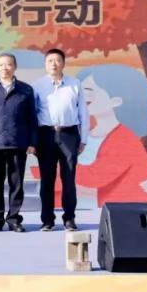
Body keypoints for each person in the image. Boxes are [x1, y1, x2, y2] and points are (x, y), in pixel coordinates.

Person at [73, 65, 147, 204]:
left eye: (88, 91)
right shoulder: (86, 134)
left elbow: (94, 177)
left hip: (122, 211)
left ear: (116, 101)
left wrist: (49, 166)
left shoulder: (125, 141)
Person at [0, 53, 38, 232]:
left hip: (18, 143)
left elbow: (32, 119)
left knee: (16, 184)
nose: (5, 68)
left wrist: (32, 142)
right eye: (1, 65)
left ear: (15, 67)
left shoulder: (26, 90)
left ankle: (14, 219)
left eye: (9, 64)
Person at [32, 48, 89, 231]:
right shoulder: (37, 85)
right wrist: (32, 141)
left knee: (69, 178)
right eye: (50, 61)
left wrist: (84, 139)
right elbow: (32, 115)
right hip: (45, 135)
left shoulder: (75, 84)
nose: (54, 64)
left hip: (69, 134)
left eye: (57, 60)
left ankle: (69, 218)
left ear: (63, 63)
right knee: (47, 180)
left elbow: (83, 112)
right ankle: (47, 220)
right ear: (45, 64)